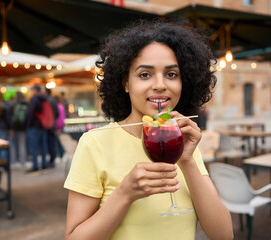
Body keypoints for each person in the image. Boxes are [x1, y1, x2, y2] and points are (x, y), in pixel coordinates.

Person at [64, 19, 233, 240]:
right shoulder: (95, 143)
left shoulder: (182, 141)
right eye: (145, 74)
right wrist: (125, 194)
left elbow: (224, 235)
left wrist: (188, 161)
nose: (160, 84)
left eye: (171, 74)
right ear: (125, 83)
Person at [25, 85, 48, 172]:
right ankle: (44, 164)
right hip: (43, 125)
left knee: (33, 147)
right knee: (43, 146)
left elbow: (30, 113)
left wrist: (27, 124)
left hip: (34, 126)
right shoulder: (45, 99)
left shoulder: (34, 100)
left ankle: (35, 166)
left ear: (35, 91)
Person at [10, 91, 28, 168]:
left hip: (14, 127)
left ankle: (13, 162)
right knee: (22, 144)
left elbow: (9, 116)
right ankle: (23, 162)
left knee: (13, 145)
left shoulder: (12, 103)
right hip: (23, 128)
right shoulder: (26, 104)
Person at [45, 88, 59, 168]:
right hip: (53, 124)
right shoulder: (53, 100)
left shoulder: (47, 101)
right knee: (52, 142)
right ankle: (52, 159)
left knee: (49, 143)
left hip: (48, 125)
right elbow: (57, 113)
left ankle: (51, 160)